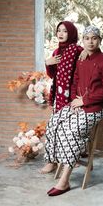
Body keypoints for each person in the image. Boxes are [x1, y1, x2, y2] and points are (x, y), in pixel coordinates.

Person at [45, 25, 103, 196]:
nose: (90, 41)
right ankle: (56, 161)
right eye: (87, 38)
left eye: (94, 38)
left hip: (97, 106)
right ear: (83, 40)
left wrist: (84, 101)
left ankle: (64, 181)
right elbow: (75, 81)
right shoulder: (81, 58)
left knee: (71, 131)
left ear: (99, 40)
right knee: (54, 122)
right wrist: (75, 102)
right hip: (77, 103)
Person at [41, 20, 84, 174]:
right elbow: (53, 75)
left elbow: (84, 74)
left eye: (65, 31)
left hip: (73, 95)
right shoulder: (56, 53)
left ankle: (71, 157)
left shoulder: (79, 50)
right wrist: (48, 63)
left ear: (71, 33)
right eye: (59, 30)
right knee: (54, 126)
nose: (61, 33)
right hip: (58, 94)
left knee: (68, 128)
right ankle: (52, 161)